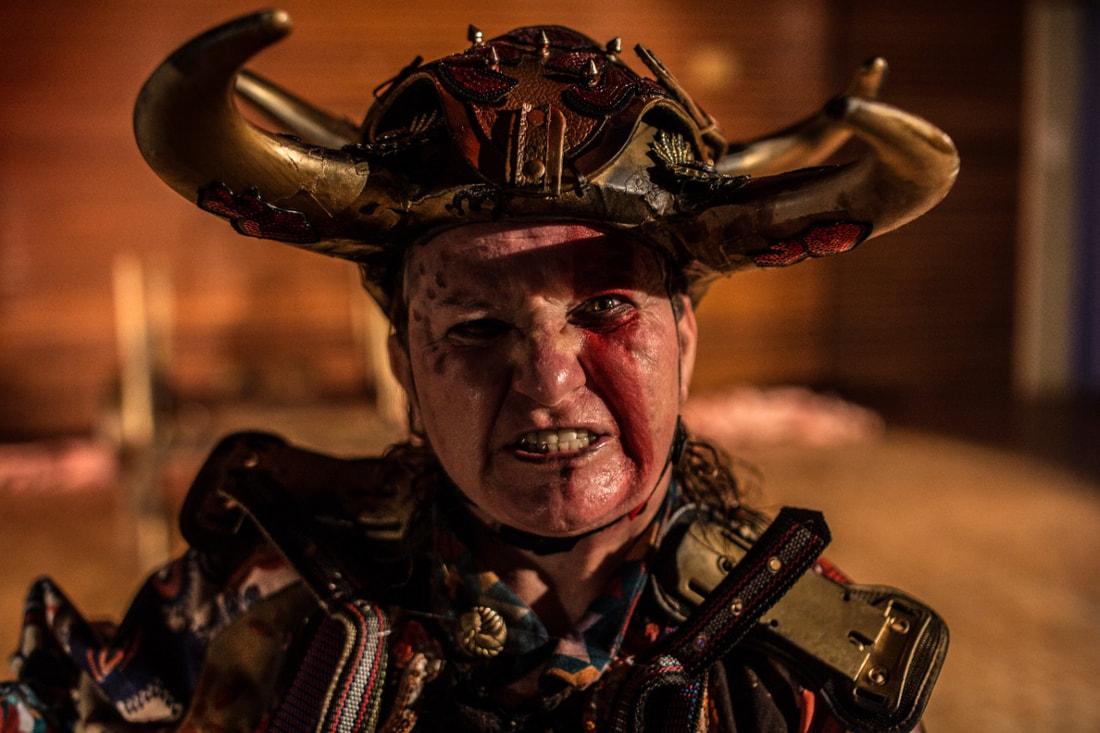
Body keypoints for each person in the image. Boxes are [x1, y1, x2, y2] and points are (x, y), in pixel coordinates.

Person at [1, 10, 957, 732]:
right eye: (475, 325)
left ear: (685, 342)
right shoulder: (263, 586)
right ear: (405, 370)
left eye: (604, 308)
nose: (548, 380)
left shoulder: (804, 655)